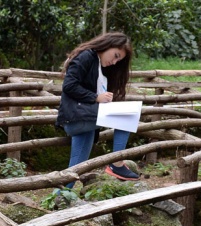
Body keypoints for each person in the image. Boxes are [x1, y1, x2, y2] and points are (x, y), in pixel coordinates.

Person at [56, 32, 139, 184]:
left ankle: (60, 197)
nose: (114, 62)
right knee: (128, 115)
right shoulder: (86, 56)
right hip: (76, 117)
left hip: (84, 119)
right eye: (115, 55)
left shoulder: (100, 66)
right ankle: (116, 163)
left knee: (76, 167)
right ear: (108, 44)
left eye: (118, 60)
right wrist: (95, 97)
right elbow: (69, 85)